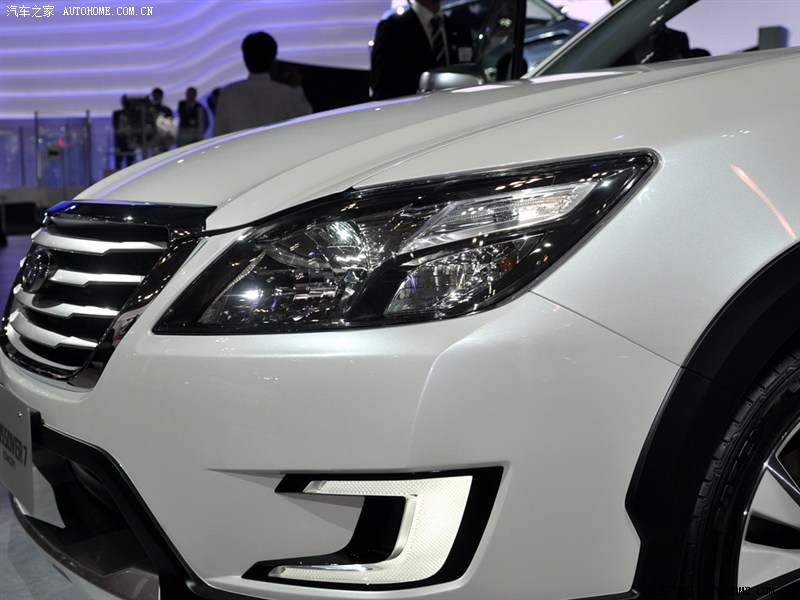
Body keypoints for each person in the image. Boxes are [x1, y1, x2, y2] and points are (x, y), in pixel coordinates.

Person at [212, 32, 312, 136]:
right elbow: (306, 121)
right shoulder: (287, 94)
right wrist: (297, 87)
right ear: (273, 59)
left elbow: (219, 134)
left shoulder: (229, 94)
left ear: (245, 58)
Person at [370, 0, 473, 100]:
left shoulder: (460, 30)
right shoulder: (392, 29)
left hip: (455, 105)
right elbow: (382, 89)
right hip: (411, 108)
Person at [148, 87, 175, 154]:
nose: (156, 98)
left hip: (164, 137)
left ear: (161, 96)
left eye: (158, 96)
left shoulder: (166, 110)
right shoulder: (148, 110)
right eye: (155, 96)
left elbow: (170, 124)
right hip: (151, 137)